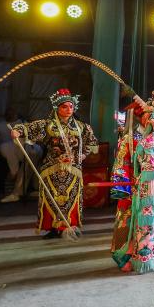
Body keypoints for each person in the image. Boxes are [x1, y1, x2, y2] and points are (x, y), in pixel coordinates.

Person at [11, 89, 98, 238]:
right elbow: (29, 128)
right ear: (57, 108)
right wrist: (17, 131)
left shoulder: (81, 126)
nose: (68, 109)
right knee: (51, 199)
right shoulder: (48, 125)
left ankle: (70, 226)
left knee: (71, 198)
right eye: (64, 107)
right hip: (52, 169)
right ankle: (52, 228)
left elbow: (92, 142)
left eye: (71, 106)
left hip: (73, 170)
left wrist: (83, 155)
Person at [110, 92, 154, 273]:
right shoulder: (136, 138)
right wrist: (122, 185)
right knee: (136, 226)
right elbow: (125, 164)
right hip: (139, 187)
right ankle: (128, 258)